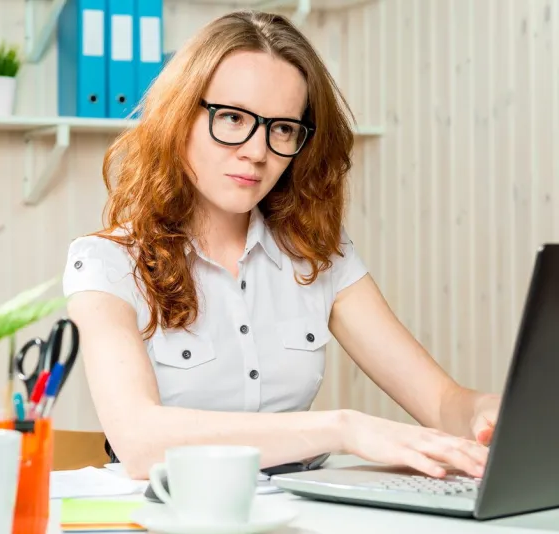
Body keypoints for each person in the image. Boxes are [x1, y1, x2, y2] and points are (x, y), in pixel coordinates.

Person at [62, 9, 501, 481]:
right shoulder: (106, 263)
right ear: (178, 118)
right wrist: (341, 428)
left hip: (298, 514)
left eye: (283, 128)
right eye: (231, 118)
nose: (257, 150)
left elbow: (439, 401)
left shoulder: (317, 254)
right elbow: (140, 441)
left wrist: (486, 412)